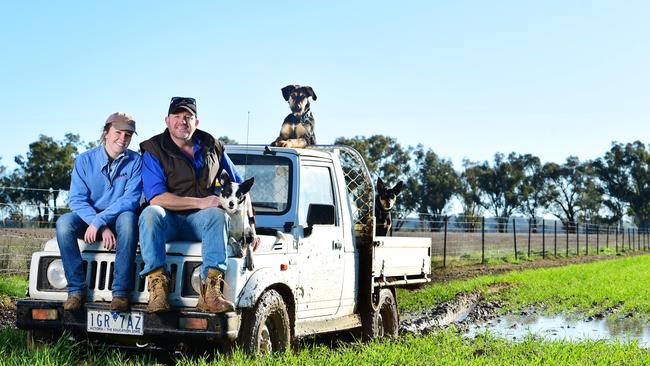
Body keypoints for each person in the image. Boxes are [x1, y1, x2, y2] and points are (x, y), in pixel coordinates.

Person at [138, 96, 249, 313]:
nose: (183, 121)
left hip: (200, 222)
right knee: (150, 213)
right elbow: (156, 197)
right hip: (168, 218)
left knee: (218, 215)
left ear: (196, 122)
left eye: (188, 116)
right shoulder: (153, 148)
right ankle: (158, 292)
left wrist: (250, 227)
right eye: (177, 116)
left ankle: (210, 293)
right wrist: (202, 202)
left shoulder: (212, 145)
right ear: (167, 120)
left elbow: (240, 187)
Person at [56, 112, 142, 312]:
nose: (122, 138)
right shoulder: (84, 161)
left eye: (128, 135)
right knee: (64, 224)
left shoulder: (136, 161)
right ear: (105, 133)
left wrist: (101, 221)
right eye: (118, 132)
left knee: (129, 220)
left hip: (119, 217)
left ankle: (120, 293)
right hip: (89, 218)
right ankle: (76, 290)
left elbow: (130, 199)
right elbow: (76, 199)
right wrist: (99, 224)